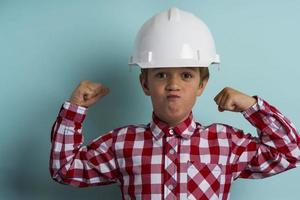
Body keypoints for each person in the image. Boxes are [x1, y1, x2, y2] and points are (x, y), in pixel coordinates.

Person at [49, 7, 300, 200]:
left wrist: (252, 106)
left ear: (202, 84)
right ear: (145, 84)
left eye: (187, 75)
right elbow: (65, 170)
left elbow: (290, 153)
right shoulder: (122, 144)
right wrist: (74, 111)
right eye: (161, 74)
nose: (173, 85)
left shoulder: (226, 143)